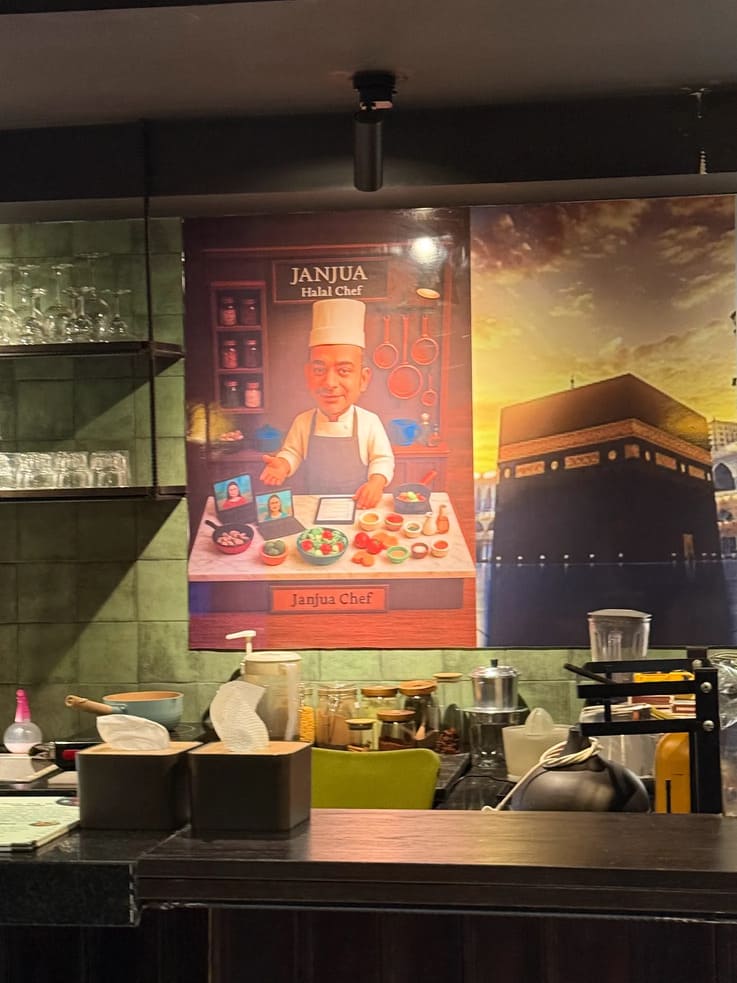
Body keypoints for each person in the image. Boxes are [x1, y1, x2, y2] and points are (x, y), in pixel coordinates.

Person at [260, 298, 394, 508]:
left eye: (344, 371)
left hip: (357, 507)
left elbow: (382, 459)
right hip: (314, 507)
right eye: (319, 370)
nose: (330, 383)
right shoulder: (303, 421)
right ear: (308, 375)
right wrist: (283, 465)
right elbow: (293, 452)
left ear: (363, 378)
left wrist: (376, 482)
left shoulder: (369, 422)